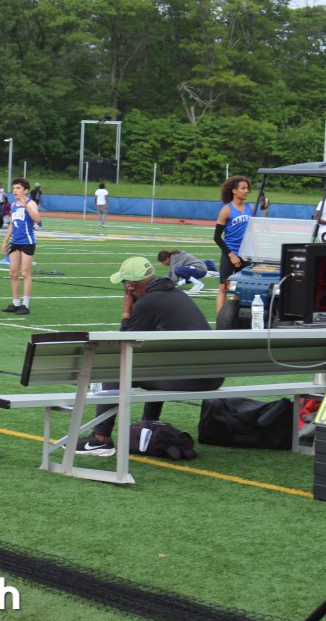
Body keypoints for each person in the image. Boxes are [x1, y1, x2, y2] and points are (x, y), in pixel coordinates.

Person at [75, 257, 223, 456]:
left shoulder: (147, 303)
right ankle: (149, 424)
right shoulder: (174, 293)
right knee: (154, 365)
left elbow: (124, 344)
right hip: (213, 376)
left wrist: (127, 309)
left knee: (115, 369)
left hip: (192, 379)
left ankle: (100, 439)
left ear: (131, 285)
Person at [0, 177, 41, 315]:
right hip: (16, 242)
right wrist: (5, 240)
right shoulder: (13, 205)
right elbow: (12, 224)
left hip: (27, 242)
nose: (15, 191)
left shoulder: (31, 203)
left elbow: (37, 219)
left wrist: (27, 207)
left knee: (25, 272)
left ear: (26, 190)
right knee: (12, 272)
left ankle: (25, 304)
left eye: (18, 188)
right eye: (14, 188)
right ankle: (15, 303)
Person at [214, 175, 253, 312]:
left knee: (240, 288)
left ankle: (233, 317)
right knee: (223, 287)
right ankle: (221, 319)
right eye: (243, 188)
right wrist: (231, 255)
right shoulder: (227, 209)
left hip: (246, 254)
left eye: (247, 188)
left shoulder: (251, 208)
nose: (246, 191)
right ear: (234, 191)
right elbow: (217, 237)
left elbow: (254, 232)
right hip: (230, 254)